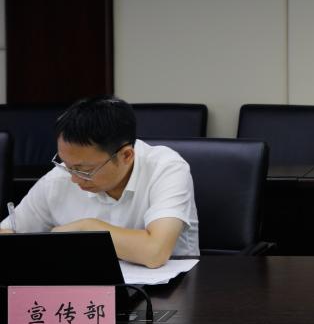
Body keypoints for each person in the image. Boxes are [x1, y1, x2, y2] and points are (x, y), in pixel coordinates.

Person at [0, 96, 199, 268]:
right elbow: (7, 232)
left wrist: (87, 228)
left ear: (126, 155)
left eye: (85, 170)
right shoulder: (58, 178)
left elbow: (155, 252)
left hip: (170, 291)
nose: (73, 178)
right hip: (85, 288)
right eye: (66, 164)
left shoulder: (166, 168)